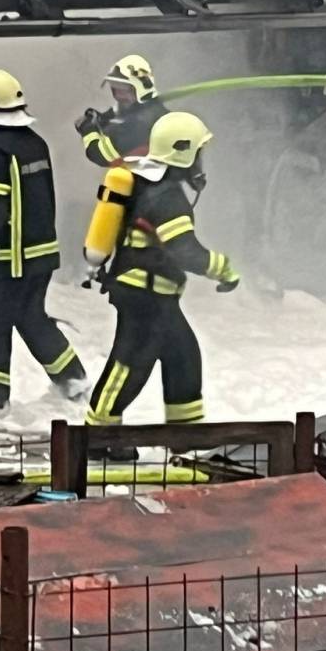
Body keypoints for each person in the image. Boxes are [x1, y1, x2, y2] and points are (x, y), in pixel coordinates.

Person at [86, 111, 240, 433]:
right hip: (145, 294)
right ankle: (96, 436)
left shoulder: (149, 182)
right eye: (198, 152)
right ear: (183, 153)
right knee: (129, 365)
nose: (201, 161)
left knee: (183, 359)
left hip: (155, 294)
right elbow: (184, 251)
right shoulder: (168, 197)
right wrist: (223, 269)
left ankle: (186, 437)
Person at [0, 68, 89, 412]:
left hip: (7, 263)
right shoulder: (36, 144)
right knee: (32, 319)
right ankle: (75, 383)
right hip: (40, 258)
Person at [75, 54, 168, 167]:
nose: (118, 95)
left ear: (140, 89)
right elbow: (119, 117)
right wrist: (102, 120)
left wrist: (88, 130)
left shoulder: (140, 123)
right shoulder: (141, 108)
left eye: (122, 90)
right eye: (114, 88)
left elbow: (101, 155)